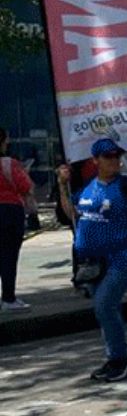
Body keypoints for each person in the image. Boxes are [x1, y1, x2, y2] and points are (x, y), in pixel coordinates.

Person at [57, 138, 127, 381]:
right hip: (94, 263)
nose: (114, 160)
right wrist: (62, 185)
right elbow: (72, 213)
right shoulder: (88, 188)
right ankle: (113, 356)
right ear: (95, 160)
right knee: (108, 309)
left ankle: (119, 358)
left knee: (104, 305)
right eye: (107, 156)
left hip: (121, 257)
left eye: (116, 156)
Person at [0, 127, 39, 311]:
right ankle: (8, 298)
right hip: (10, 210)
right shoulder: (10, 164)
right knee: (9, 255)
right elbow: (25, 186)